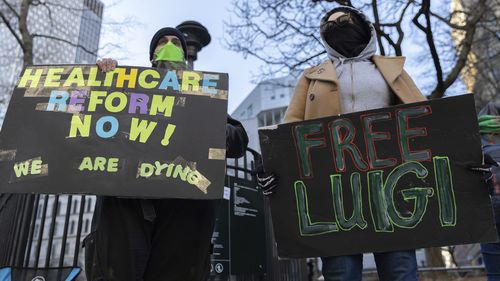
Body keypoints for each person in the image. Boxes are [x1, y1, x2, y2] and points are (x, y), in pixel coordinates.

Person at [261, 6, 427, 281]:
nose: (335, 24)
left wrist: (467, 154)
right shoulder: (311, 76)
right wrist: (272, 162)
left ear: (363, 26)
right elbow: (290, 128)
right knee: (340, 271)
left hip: (390, 187)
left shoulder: (392, 69)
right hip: (334, 190)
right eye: (328, 23)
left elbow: (426, 117)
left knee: (400, 269)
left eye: (344, 19)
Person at [85, 27, 249, 281]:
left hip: (182, 213)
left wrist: (212, 126)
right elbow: (88, 124)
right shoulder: (127, 89)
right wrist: (105, 80)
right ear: (152, 55)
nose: (169, 45)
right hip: (127, 207)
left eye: (176, 42)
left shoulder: (203, 96)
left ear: (184, 56)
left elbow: (238, 140)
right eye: (162, 42)